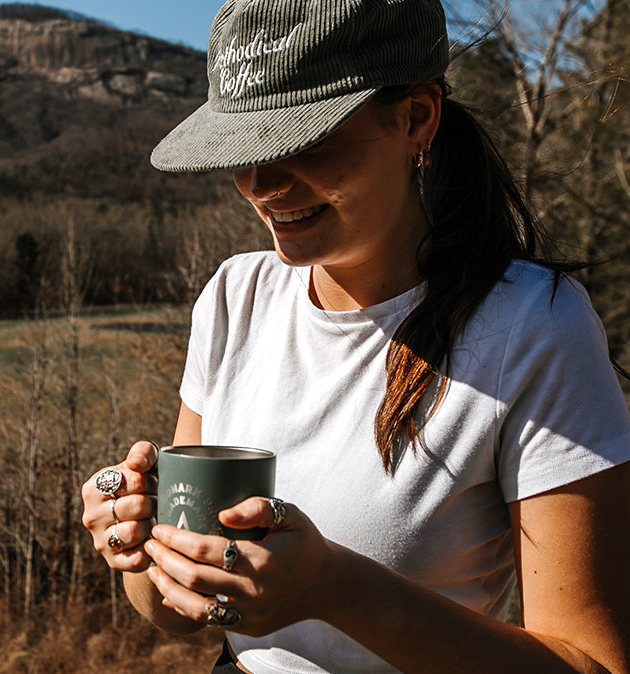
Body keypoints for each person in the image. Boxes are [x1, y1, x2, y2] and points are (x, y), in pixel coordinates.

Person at [80, 0, 630, 672]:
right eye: (242, 150)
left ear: (416, 118)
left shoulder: (534, 326)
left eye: (301, 142)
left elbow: (593, 661)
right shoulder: (234, 298)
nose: (260, 184)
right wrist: (141, 545)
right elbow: (178, 613)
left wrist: (338, 590)